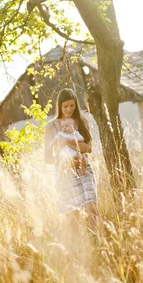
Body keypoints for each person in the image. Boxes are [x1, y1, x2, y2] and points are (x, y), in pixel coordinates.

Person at [44, 88, 100, 231]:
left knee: (92, 209)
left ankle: (98, 243)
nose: (69, 109)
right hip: (65, 173)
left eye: (72, 106)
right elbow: (47, 157)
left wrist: (67, 141)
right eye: (65, 106)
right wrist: (63, 163)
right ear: (59, 106)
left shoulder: (82, 122)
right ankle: (77, 249)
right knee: (72, 216)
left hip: (83, 170)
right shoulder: (51, 126)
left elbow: (88, 148)